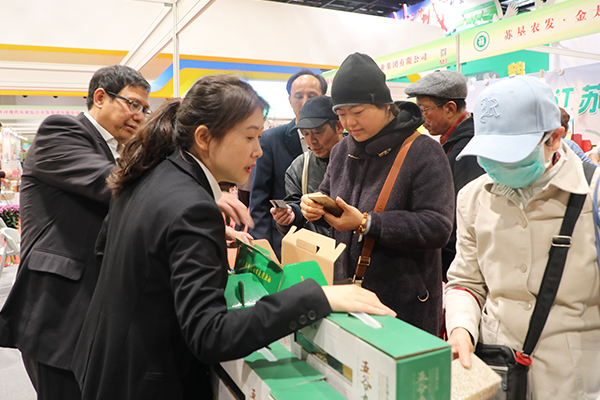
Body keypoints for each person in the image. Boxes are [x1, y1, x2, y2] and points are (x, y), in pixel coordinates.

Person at [70, 75, 395, 400]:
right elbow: (210, 334)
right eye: (250, 137)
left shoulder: (151, 173)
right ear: (204, 138)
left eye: (259, 137)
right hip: (148, 381)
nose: (258, 151)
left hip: (106, 364)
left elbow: (107, 251)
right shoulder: (193, 207)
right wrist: (316, 297)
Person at [0, 65, 151, 399]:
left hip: (92, 309)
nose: (139, 116)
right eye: (133, 104)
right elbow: (109, 184)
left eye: (144, 109)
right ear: (100, 97)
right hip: (58, 308)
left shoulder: (119, 150)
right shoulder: (61, 130)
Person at [445, 75, 600, 399]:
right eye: (490, 154)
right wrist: (461, 328)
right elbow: (466, 280)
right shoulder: (472, 197)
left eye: (511, 153)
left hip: (574, 379)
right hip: (496, 370)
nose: (498, 164)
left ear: (554, 138)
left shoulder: (593, 193)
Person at [301, 53, 455, 335]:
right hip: (347, 294)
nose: (349, 123)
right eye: (341, 114)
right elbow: (329, 197)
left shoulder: (424, 151)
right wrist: (315, 208)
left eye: (357, 112)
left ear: (385, 105)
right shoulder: (341, 151)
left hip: (404, 305)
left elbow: (437, 227)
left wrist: (367, 223)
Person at [405, 70, 484, 281]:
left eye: (424, 109)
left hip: (460, 263)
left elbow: (464, 213)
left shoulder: (468, 150)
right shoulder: (451, 143)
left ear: (449, 108)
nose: (421, 118)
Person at [250, 69, 327, 259]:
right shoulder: (270, 140)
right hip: (283, 242)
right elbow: (259, 201)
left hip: (326, 245)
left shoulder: (340, 142)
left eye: (312, 96)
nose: (305, 102)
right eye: (298, 96)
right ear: (290, 100)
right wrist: (263, 251)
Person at [271, 95, 344, 237]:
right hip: (318, 248)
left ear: (339, 127)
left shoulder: (358, 159)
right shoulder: (298, 167)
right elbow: (295, 205)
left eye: (318, 132)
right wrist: (290, 215)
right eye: (305, 134)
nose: (311, 141)